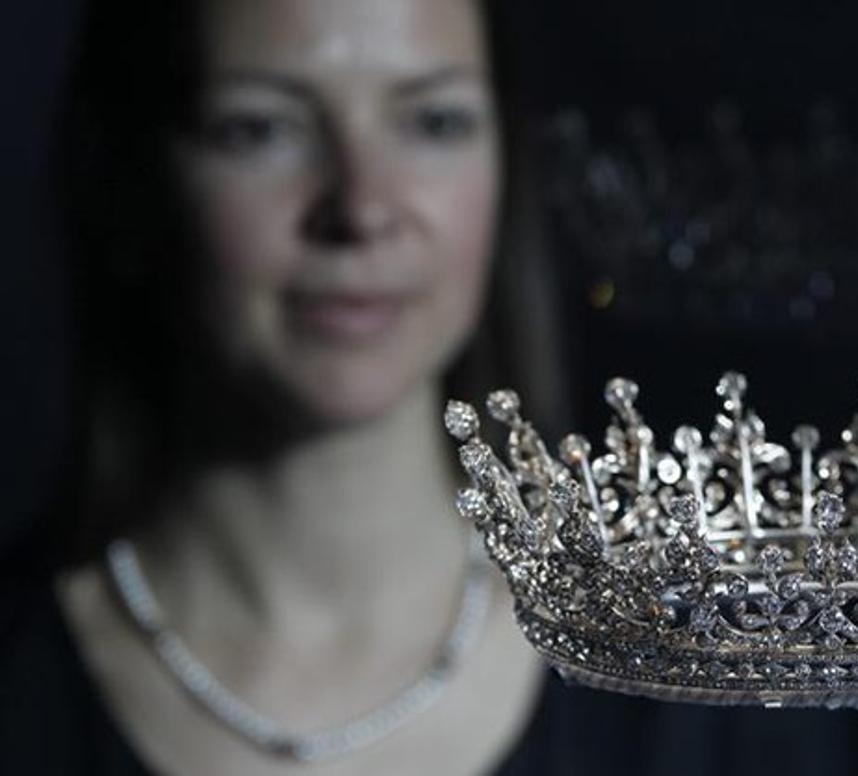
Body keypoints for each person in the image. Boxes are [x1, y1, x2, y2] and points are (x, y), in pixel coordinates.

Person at [1, 0, 570, 773]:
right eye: (261, 129)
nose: (363, 207)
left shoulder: (699, 684)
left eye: (434, 122)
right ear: (131, 175)